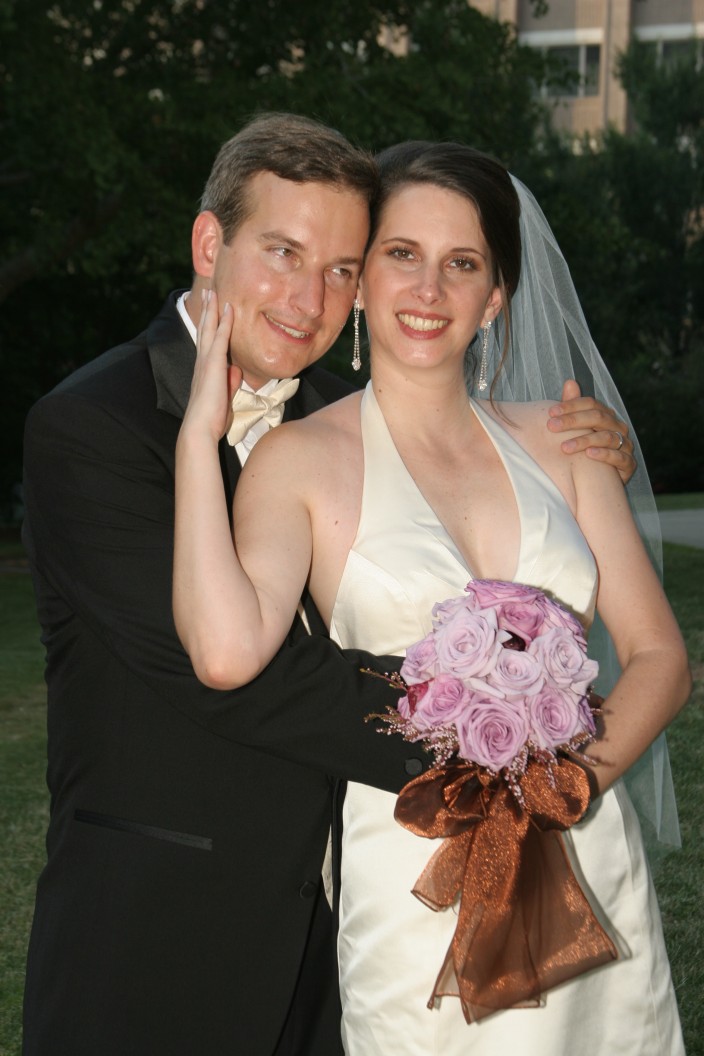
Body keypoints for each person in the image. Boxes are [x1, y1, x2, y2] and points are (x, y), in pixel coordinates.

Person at [22, 113, 638, 1056]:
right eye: (283, 253)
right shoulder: (91, 428)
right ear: (209, 244)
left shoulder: (338, 413)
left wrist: (592, 455)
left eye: (342, 268)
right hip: (162, 934)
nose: (310, 300)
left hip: (349, 924)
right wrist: (504, 724)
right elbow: (239, 680)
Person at [173, 140, 690, 1054]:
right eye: (402, 254)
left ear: (495, 298)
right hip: (416, 886)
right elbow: (224, 652)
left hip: (587, 861)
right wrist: (196, 439)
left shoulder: (569, 443)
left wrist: (559, 792)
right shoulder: (297, 461)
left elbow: (660, 656)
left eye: (463, 265)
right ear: (361, 280)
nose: (428, 289)